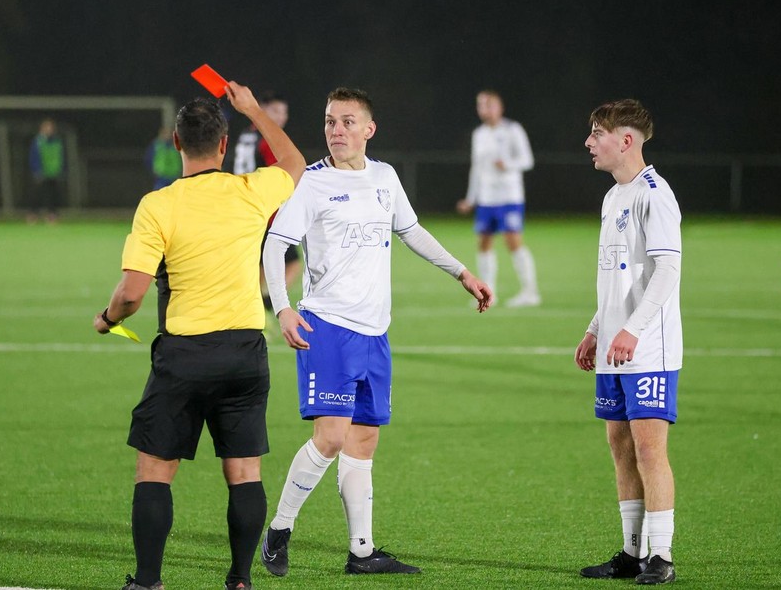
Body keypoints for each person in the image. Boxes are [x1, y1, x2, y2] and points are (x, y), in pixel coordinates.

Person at [258, 87, 494, 577]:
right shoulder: (313, 183)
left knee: (363, 442)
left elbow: (411, 231)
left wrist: (462, 273)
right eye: (329, 121)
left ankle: (361, 552)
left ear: (369, 129)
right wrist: (281, 308)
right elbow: (276, 243)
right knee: (330, 438)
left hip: (375, 333)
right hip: (326, 327)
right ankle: (280, 528)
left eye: (347, 121)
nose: (336, 130)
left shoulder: (385, 177)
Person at [93, 82, 306, 590]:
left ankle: (147, 582)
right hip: (244, 352)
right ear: (225, 145)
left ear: (175, 143)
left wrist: (107, 317)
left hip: (184, 355)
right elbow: (296, 163)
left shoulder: (157, 205)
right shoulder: (251, 191)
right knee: (244, 472)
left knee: (154, 470)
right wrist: (253, 108)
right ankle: (238, 580)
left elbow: (131, 296)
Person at [574, 99, 681, 585]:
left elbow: (667, 272)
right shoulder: (613, 196)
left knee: (649, 449)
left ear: (626, 140)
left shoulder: (654, 195)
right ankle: (631, 552)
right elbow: (615, 281)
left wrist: (632, 331)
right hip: (615, 346)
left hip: (648, 348)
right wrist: (596, 329)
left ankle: (662, 557)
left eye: (598, 133)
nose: (589, 142)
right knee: (620, 446)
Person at [455, 89, 540, 307]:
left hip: (509, 196)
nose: (485, 109)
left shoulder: (513, 130)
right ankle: (487, 292)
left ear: (499, 107)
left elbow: (527, 160)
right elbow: (476, 168)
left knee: (513, 241)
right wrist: (470, 198)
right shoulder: (479, 134)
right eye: (481, 105)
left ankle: (530, 292)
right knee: (483, 243)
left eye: (489, 104)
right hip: (486, 198)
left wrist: (508, 164)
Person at [225, 92, 303, 303]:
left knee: (258, 264)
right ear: (263, 109)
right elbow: (281, 173)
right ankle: (268, 302)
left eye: (284, 112)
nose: (281, 117)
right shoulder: (270, 141)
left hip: (241, 206)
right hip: (264, 209)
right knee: (292, 262)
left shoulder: (245, 135)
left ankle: (258, 301)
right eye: (275, 111)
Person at [28, 118, 66, 223]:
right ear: (42, 129)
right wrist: (36, 170)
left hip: (53, 172)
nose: (49, 129)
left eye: (50, 127)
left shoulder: (57, 141)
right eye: (47, 127)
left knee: (53, 195)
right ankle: (33, 214)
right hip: (40, 172)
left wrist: (61, 169)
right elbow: (33, 156)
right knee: (38, 194)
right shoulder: (38, 141)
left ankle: (52, 215)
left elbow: (60, 156)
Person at [145, 125, 182, 190]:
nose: (168, 135)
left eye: (170, 133)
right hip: (160, 177)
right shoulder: (156, 145)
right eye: (165, 133)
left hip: (174, 177)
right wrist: (154, 172)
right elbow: (148, 160)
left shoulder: (176, 146)